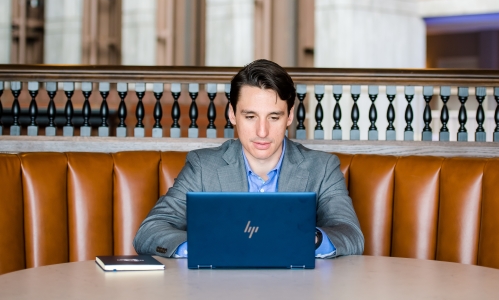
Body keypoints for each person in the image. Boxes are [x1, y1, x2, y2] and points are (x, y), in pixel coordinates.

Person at [133, 59, 364, 258]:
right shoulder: (203, 167)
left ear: (290, 116)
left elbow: (351, 235)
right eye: (250, 116)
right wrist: (204, 247)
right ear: (233, 114)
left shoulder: (322, 167)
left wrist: (307, 239)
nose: (262, 131)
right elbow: (150, 231)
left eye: (274, 117)